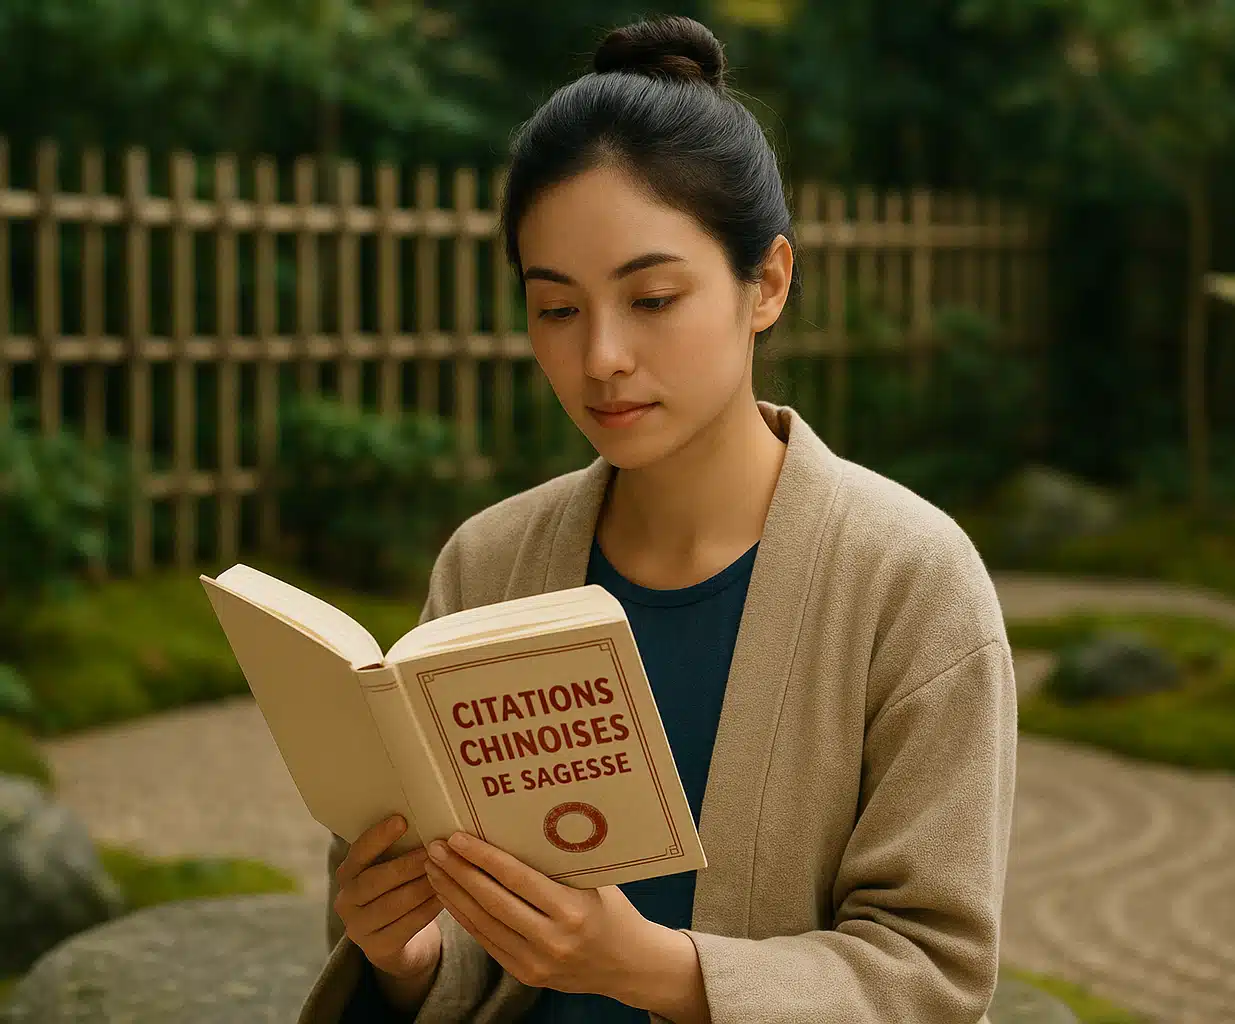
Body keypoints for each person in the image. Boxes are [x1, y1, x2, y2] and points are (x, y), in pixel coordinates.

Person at [296, 13, 1016, 1024]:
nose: (600, 357)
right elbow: (457, 950)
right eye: (556, 309)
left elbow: (932, 976)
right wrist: (405, 952)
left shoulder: (908, 580)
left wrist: (648, 967)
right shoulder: (488, 563)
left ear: (765, 282)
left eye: (653, 298)